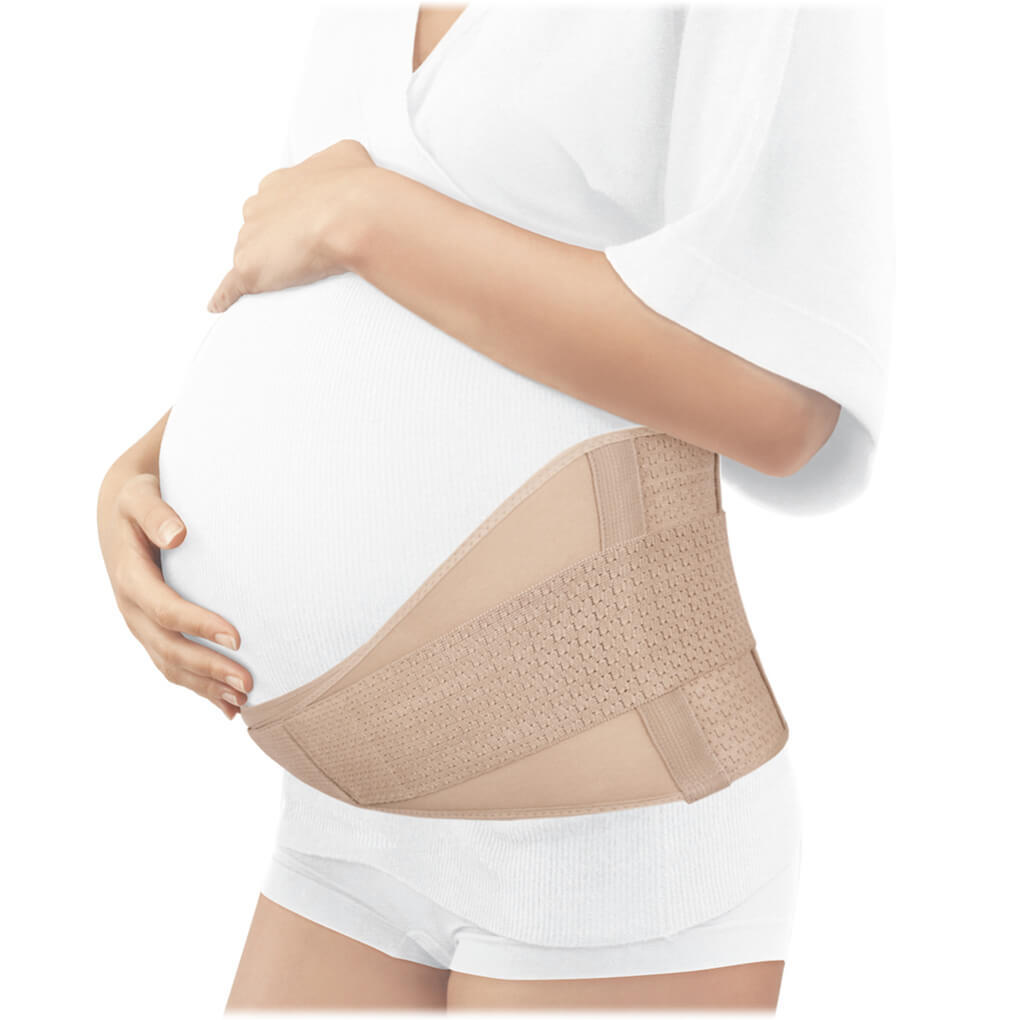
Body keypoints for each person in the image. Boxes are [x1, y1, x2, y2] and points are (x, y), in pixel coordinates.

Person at [96, 2, 893, 1010]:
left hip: (608, 853)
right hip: (343, 827)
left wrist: (370, 217)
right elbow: (339, 295)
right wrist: (148, 469)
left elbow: (784, 405)